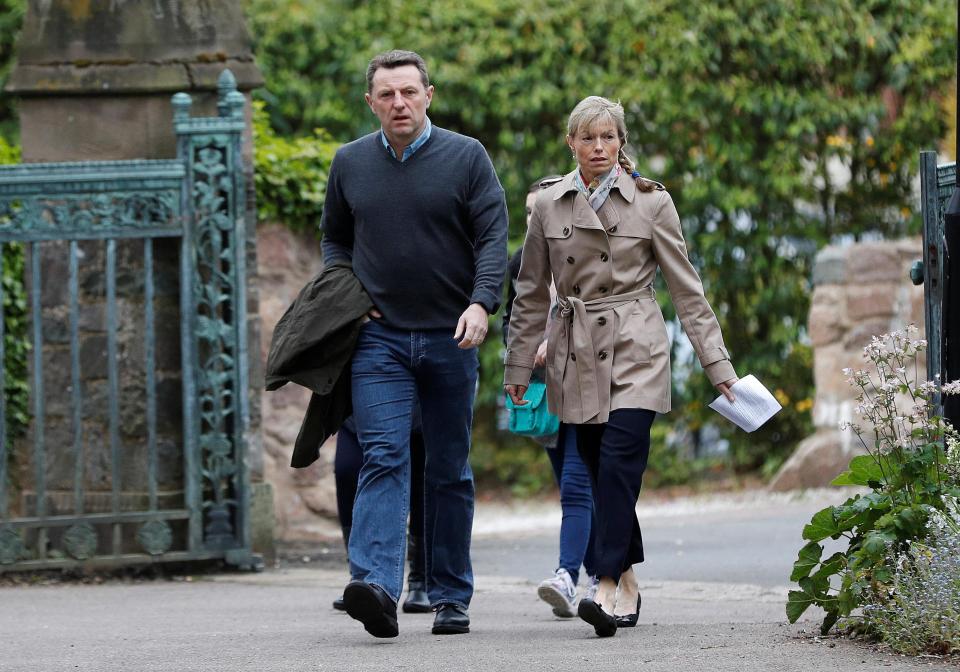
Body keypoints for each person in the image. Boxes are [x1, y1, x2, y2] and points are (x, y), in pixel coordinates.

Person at [504, 96, 737, 638]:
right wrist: (518, 369)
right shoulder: (549, 206)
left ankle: (604, 582)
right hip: (574, 350)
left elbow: (687, 289)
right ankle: (628, 578)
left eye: (609, 137)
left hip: (637, 345)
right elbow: (530, 292)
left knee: (619, 460)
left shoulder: (653, 203)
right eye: (589, 138)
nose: (600, 148)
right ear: (572, 144)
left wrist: (717, 365)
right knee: (595, 465)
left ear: (621, 141)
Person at [321, 49, 508, 638]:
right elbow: (334, 242)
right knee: (383, 456)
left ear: (428, 94)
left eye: (408, 92)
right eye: (386, 95)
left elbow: (493, 237)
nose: (398, 103)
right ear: (370, 102)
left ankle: (452, 595)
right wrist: (351, 295)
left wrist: (481, 303)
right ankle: (376, 585)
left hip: (452, 338)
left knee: (448, 469)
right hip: (377, 341)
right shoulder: (350, 163)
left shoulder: (466, 156)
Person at [503, 177, 598, 618]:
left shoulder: (584, 255)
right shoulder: (521, 263)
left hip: (586, 382)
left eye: (539, 210)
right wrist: (520, 360)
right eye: (526, 213)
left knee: (577, 484)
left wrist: (556, 343)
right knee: (571, 484)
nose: (533, 219)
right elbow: (512, 321)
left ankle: (567, 574)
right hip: (545, 392)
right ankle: (600, 572)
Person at [331, 415, 429, 614]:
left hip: (418, 408)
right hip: (358, 404)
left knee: (421, 479)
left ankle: (420, 578)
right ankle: (361, 576)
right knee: (347, 470)